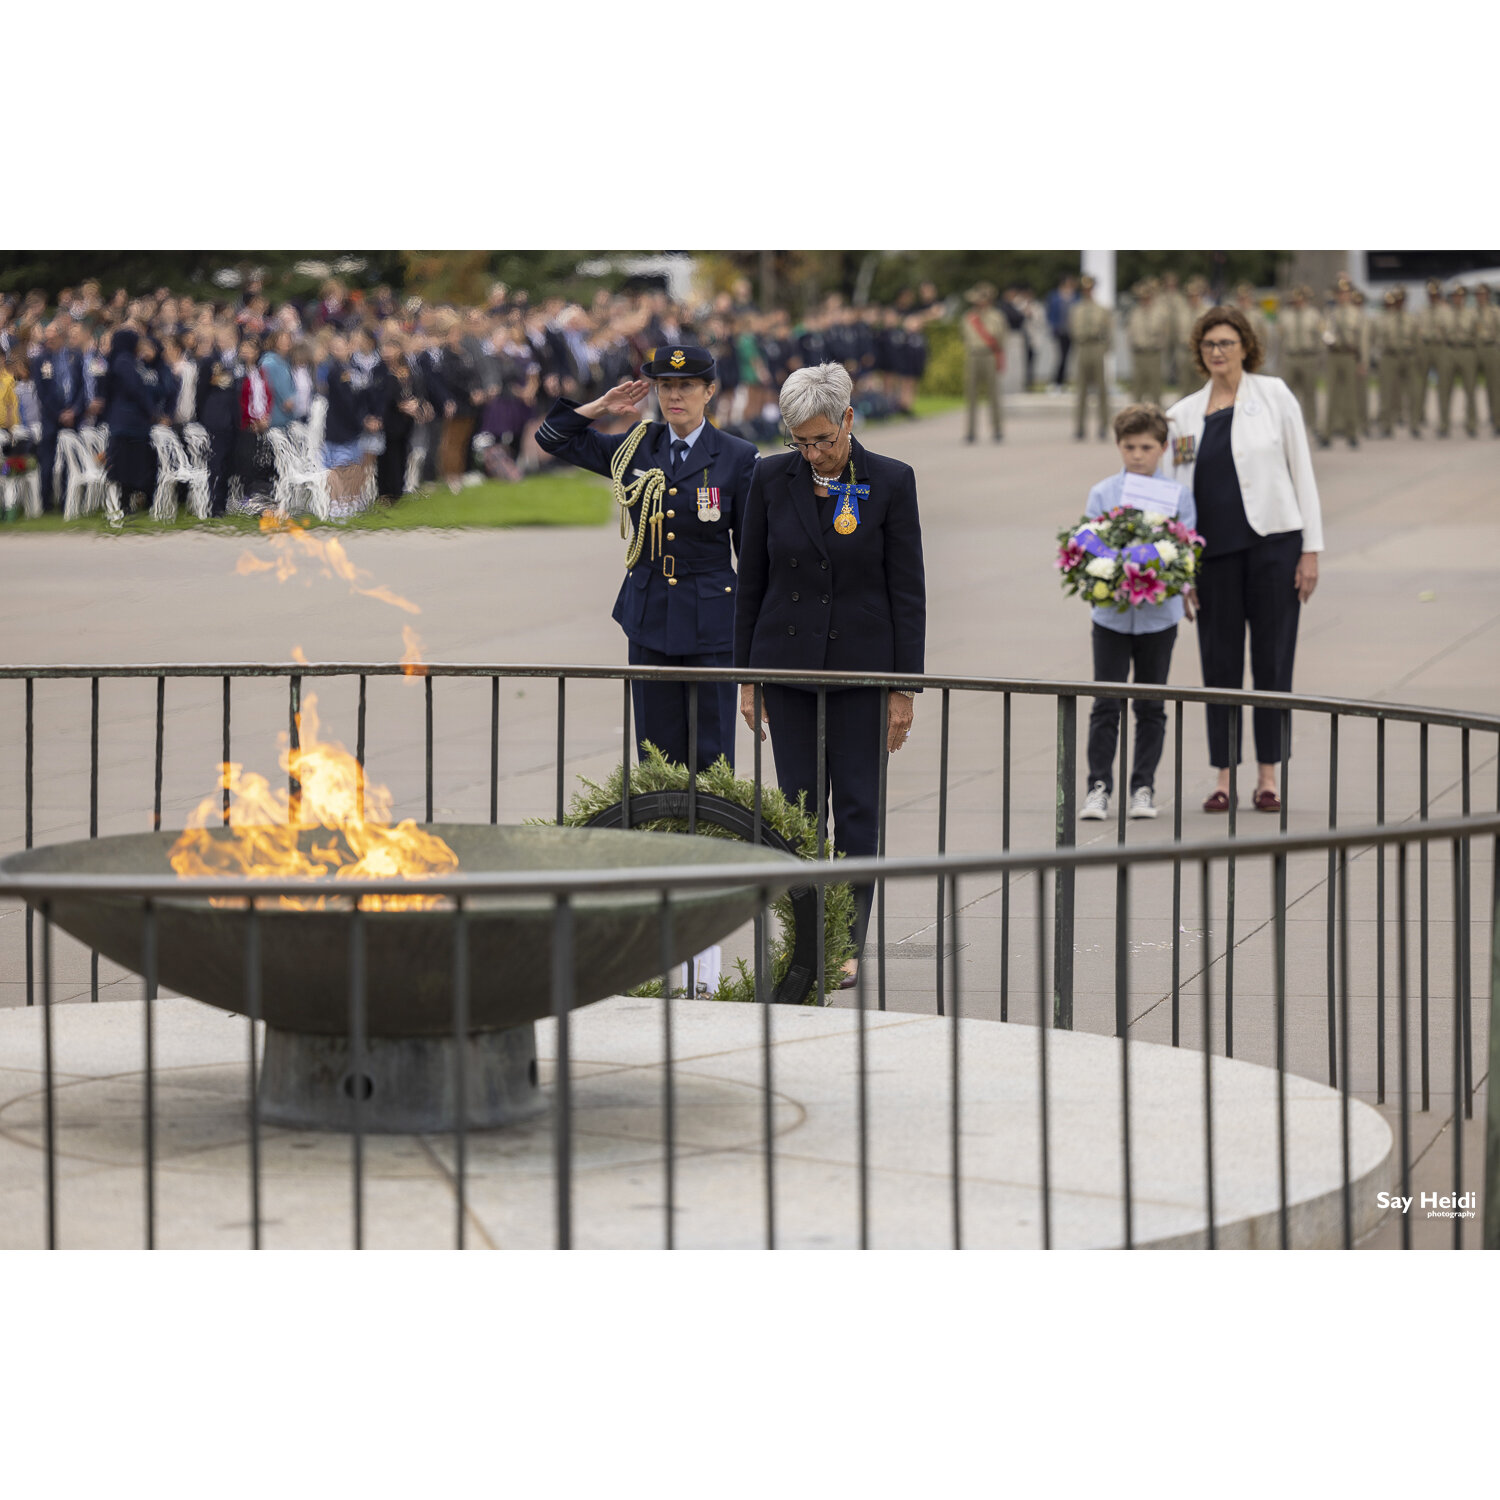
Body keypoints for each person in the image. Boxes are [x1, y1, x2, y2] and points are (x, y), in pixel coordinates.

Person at [734, 362, 926, 989]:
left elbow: (907, 592)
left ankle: (846, 940)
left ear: (848, 419)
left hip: (863, 672)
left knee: (859, 811)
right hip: (786, 670)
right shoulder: (769, 477)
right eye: (801, 441)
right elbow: (752, 585)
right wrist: (747, 677)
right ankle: (809, 937)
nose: (814, 454)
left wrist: (903, 687)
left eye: (824, 439)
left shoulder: (892, 481)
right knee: (799, 811)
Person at [536, 345, 758, 772]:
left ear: (709, 391)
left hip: (711, 618)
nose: (674, 396)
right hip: (651, 612)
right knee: (655, 752)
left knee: (712, 751)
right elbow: (552, 438)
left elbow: (749, 555)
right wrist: (600, 406)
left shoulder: (736, 457)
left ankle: (708, 834)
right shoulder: (638, 447)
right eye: (665, 386)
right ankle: (660, 833)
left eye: (686, 386)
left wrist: (752, 637)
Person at [1164, 306, 1324, 813]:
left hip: (1275, 548)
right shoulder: (1183, 415)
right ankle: (1223, 777)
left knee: (1274, 662)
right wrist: (1179, 569)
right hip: (1212, 559)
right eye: (1209, 344)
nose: (1218, 352)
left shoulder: (1273, 395)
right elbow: (1174, 493)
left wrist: (1311, 550)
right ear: (1199, 351)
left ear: (1245, 347)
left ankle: (1268, 777)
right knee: (1220, 666)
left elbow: (1303, 471)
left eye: (1227, 343)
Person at [1077, 404, 1197, 822]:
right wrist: (1104, 563)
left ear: (1163, 448)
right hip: (1110, 616)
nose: (1138, 455)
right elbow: (1086, 542)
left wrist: (1180, 581)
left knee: (1150, 703)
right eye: (1130, 447)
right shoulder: (1103, 492)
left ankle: (1142, 785)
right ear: (1119, 446)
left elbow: (1187, 548)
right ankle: (1098, 786)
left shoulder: (1177, 495)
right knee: (1106, 702)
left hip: (1157, 617)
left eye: (1147, 447)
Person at [102, 326, 169, 513]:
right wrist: (152, 411)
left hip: (130, 422)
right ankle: (124, 502)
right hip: (128, 422)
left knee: (132, 463)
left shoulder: (126, 361)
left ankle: (130, 500)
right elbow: (136, 389)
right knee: (127, 464)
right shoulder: (124, 362)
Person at [31, 320, 84, 512]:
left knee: (69, 460)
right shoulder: (40, 360)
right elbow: (42, 392)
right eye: (47, 338)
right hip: (51, 417)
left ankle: (66, 500)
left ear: (62, 337)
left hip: (73, 416)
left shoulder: (75, 356)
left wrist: (74, 410)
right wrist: (59, 413)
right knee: (48, 460)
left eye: (53, 338)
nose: (49, 341)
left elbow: (82, 387)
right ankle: (45, 502)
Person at [1319, 278, 1366, 449]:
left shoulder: (1356, 313)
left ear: (1350, 295)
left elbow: (1362, 339)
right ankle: (1327, 434)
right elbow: (1324, 333)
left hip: (1350, 355)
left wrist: (1362, 361)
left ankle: (1352, 434)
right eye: (1340, 293)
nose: (1343, 296)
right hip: (1334, 355)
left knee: (1350, 397)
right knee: (1331, 395)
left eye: (1346, 293)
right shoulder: (1330, 313)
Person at [960, 282, 1005, 443]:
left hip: (989, 355)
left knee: (993, 394)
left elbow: (1001, 337)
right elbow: (965, 337)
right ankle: (971, 432)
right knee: (971, 395)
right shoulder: (969, 317)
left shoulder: (996, 316)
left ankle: (998, 430)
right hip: (973, 356)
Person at [1069, 274, 1112, 441]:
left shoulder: (1101, 309)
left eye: (1090, 288)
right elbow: (1072, 329)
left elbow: (1108, 332)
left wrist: (1104, 350)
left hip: (1096, 347)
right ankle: (1079, 428)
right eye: (1085, 289)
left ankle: (1103, 426)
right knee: (1081, 390)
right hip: (1082, 348)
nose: (1087, 291)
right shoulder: (1076, 309)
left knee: (1101, 389)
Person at [1374, 287, 1419, 437]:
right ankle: (1386, 425)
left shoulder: (1412, 318)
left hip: (1408, 355)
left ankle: (1414, 424)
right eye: (1397, 301)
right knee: (1386, 392)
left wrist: (1417, 357)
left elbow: (1416, 340)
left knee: (1412, 392)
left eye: (1401, 301)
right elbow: (1378, 339)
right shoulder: (1386, 319)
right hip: (1390, 355)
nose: (1399, 304)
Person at [1277, 284, 1323, 428]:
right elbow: (1279, 338)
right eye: (1295, 300)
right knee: (1288, 394)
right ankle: (1289, 425)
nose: (1298, 302)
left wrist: (1319, 357)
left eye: (1300, 299)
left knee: (1309, 393)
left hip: (1308, 357)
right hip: (1290, 357)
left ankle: (1312, 424)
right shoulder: (1285, 315)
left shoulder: (1314, 314)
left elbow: (1320, 337)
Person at [1415, 279, 1453, 437]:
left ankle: (1444, 423)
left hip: (1440, 347)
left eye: (1435, 295)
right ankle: (1418, 419)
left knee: (1443, 386)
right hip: (1425, 347)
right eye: (1430, 295)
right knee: (1419, 385)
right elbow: (1417, 330)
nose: (1433, 297)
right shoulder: (1422, 311)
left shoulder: (1445, 310)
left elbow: (1449, 329)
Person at [1126, 280, 1169, 407]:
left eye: (1147, 297)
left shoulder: (1160, 313)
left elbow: (1165, 333)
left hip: (1153, 354)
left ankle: (1158, 421)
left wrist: (1158, 345)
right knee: (1137, 390)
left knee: (1155, 390)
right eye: (1142, 297)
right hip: (1139, 354)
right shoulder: (1135, 313)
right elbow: (1130, 332)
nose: (1144, 300)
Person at [1445, 284, 1479, 438]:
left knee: (1470, 389)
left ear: (1464, 298)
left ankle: (1471, 424)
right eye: (1455, 296)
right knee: (1444, 391)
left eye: (1460, 296)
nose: (1458, 299)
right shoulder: (1445, 314)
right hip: (1450, 350)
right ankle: (1443, 424)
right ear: (1452, 298)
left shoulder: (1471, 314)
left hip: (1466, 351)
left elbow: (1476, 334)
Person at [1476, 283, 1500, 437]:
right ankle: (1471, 421)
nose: (1481, 297)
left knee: (1494, 387)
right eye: (1479, 295)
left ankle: (1496, 420)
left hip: (1491, 348)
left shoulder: (1495, 312)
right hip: (1473, 349)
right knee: (1471, 387)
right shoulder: (1471, 312)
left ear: (1488, 295)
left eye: (1484, 294)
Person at [1046, 274, 1077, 390]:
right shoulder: (1055, 296)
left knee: (1068, 357)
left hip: (1071, 331)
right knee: (1062, 357)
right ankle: (1057, 381)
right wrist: (1053, 327)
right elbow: (1051, 314)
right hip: (1060, 331)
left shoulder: (1075, 297)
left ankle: (1062, 380)